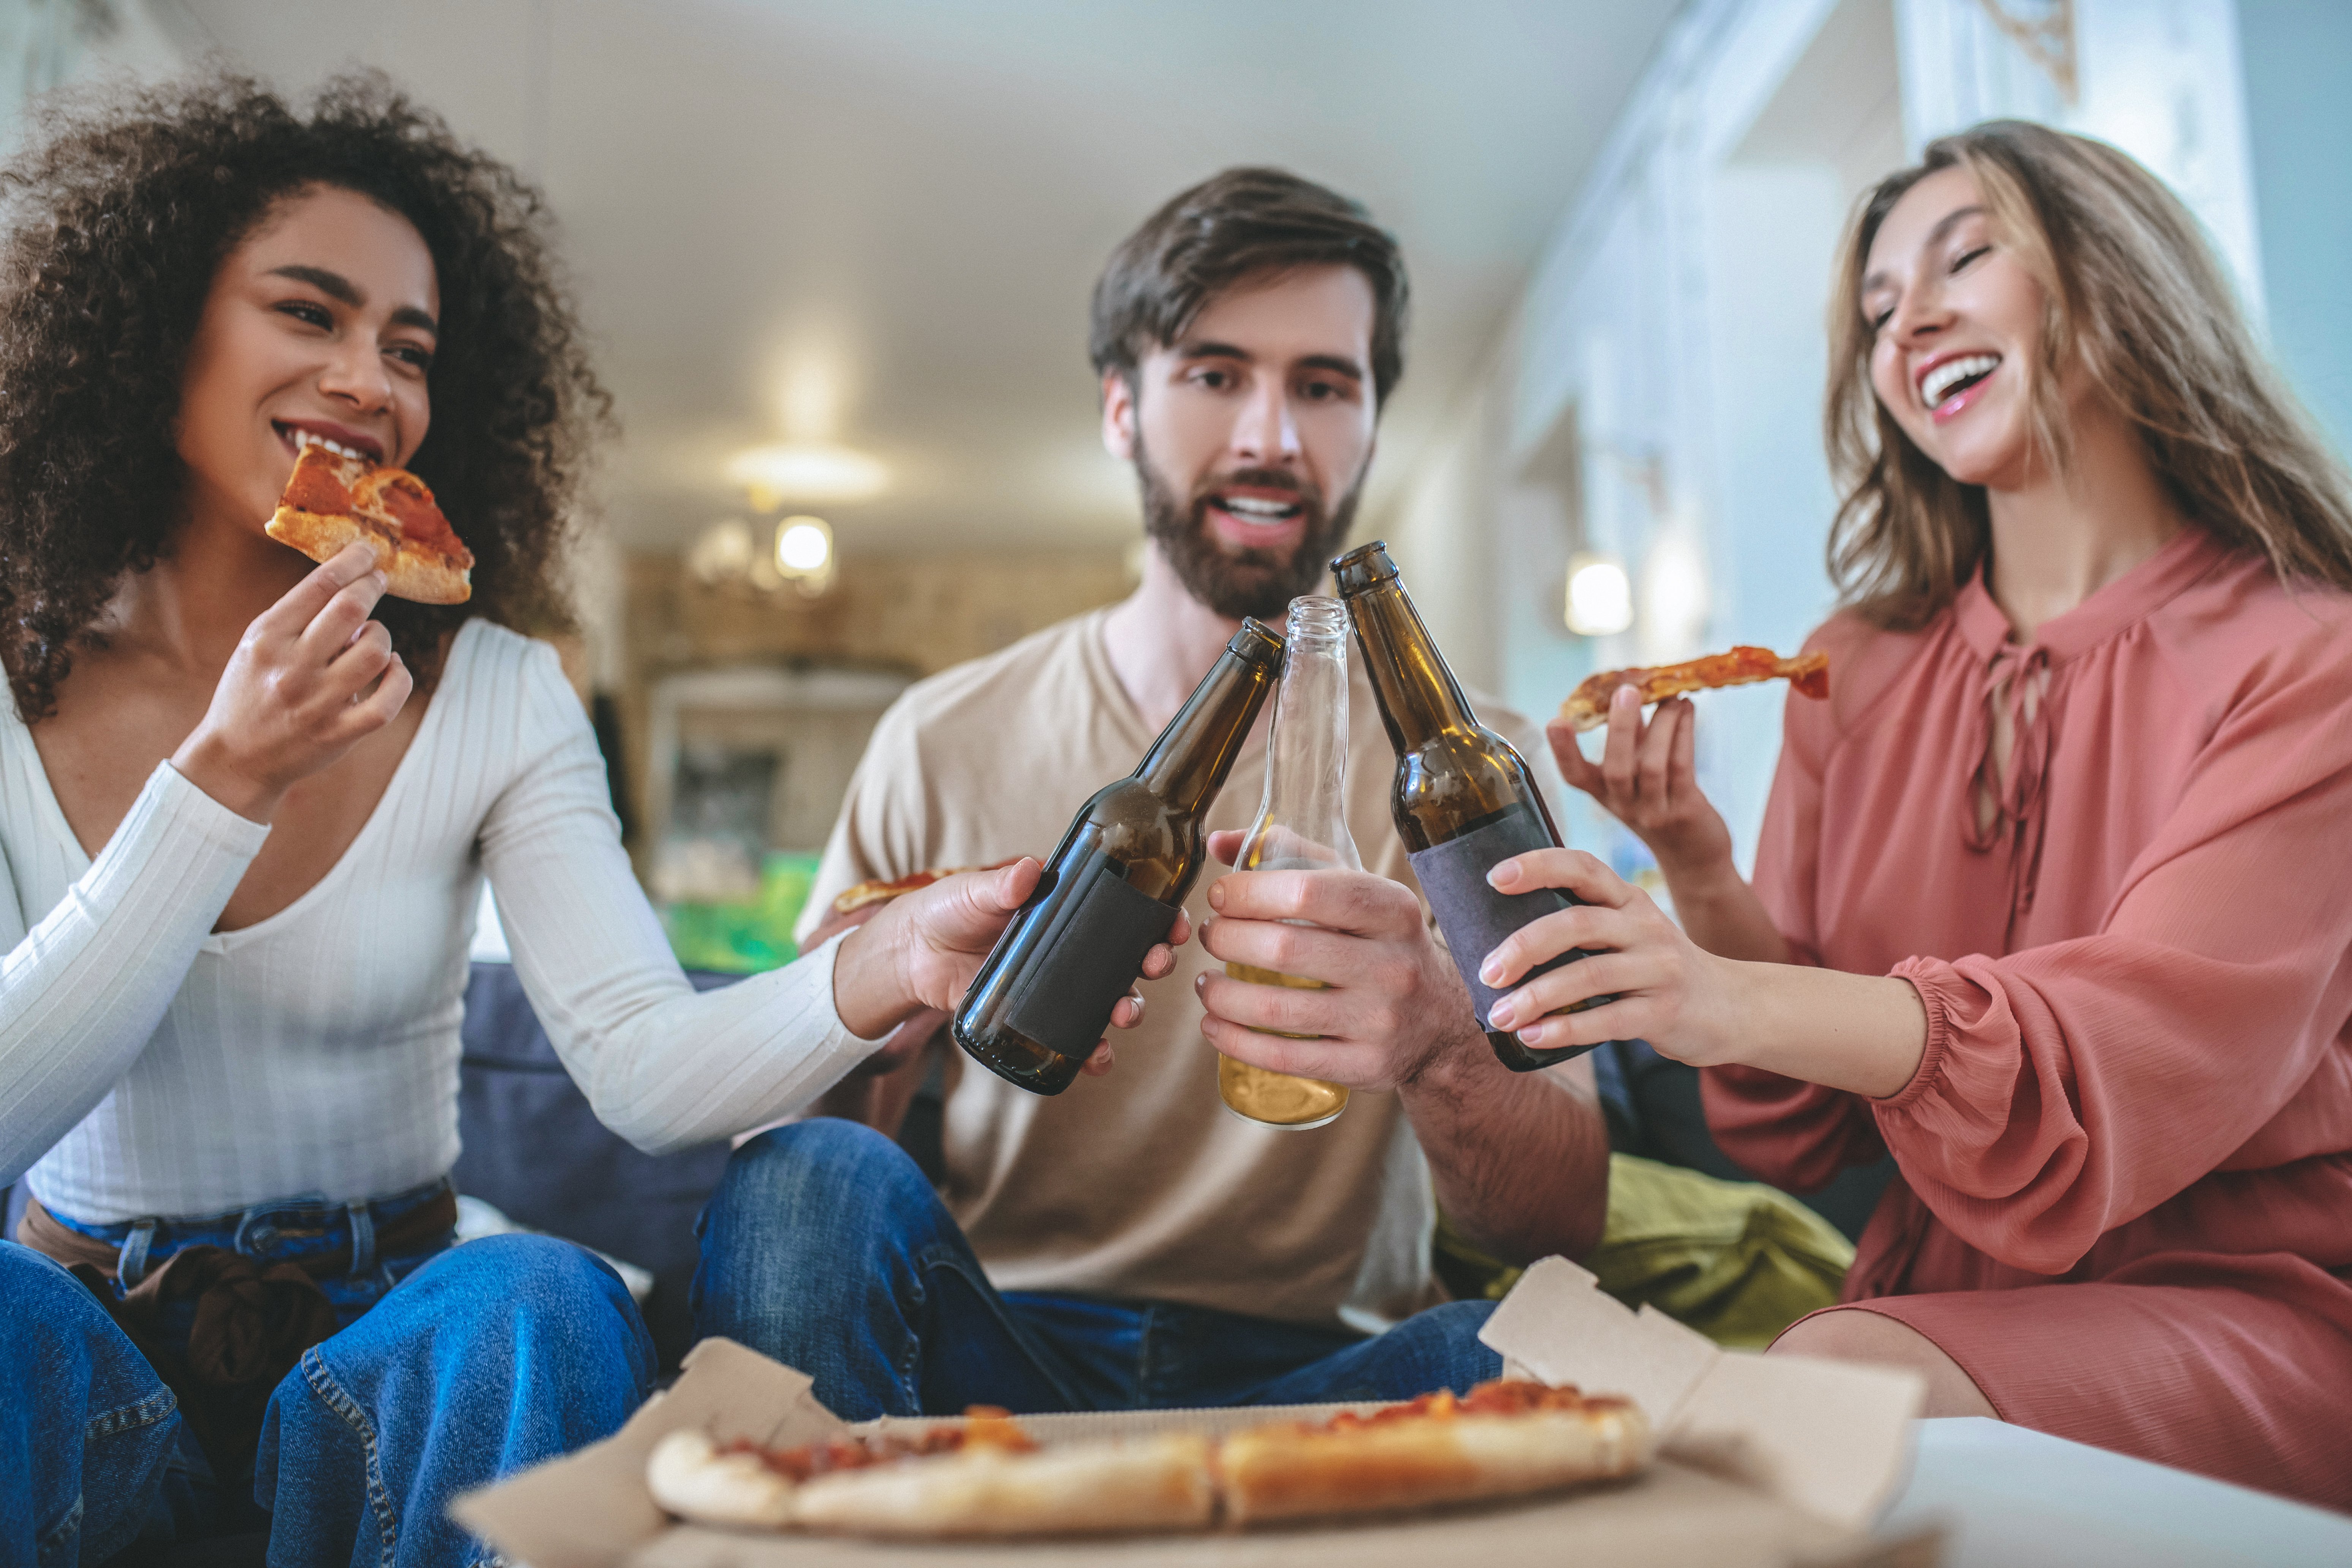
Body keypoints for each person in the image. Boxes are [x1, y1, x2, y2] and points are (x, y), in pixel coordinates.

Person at [0, 74, 1171, 1564]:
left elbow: (639, 1065)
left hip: (402, 1358)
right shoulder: (12, 675)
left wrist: (899, 966)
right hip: (79, 1365)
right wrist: (224, 783)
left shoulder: (496, 692)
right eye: (311, 314)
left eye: (409, 349)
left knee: (542, 1298)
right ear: (156, 334)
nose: (372, 382)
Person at [1481, 121, 2352, 1507]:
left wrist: (1715, 996)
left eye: (1966, 256)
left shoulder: (2312, 660)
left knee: (1821, 1394)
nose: (1911, 324)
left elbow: (2135, 1044)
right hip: (1918, 1302)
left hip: (2239, 1308)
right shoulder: (1857, 670)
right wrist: (1702, 869)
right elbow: (1801, 1129)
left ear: (2114, 273)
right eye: (1879, 310)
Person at [694, 168, 1613, 1418]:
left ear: (1372, 425)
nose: (1272, 437)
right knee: (803, 1177)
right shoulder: (942, 736)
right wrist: (885, 1003)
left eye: (1324, 386)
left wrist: (1445, 1042)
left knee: (1525, 1350)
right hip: (1000, 1353)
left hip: (1333, 1375)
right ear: (1122, 408)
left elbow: (1562, 1225)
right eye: (1216, 374)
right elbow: (784, 1182)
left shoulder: (1474, 763)